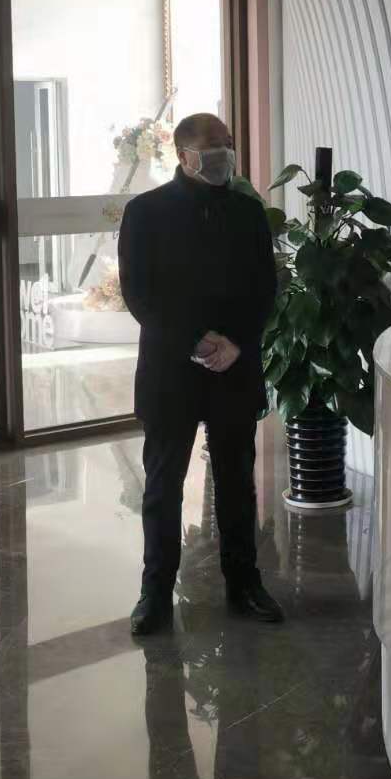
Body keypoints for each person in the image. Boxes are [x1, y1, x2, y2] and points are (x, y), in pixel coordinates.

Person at [118, 112, 284, 636]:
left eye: (227, 143)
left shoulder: (247, 211)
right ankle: (154, 593)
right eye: (212, 146)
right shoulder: (146, 212)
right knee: (163, 486)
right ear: (183, 154)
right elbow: (139, 293)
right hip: (171, 370)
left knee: (237, 481)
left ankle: (244, 583)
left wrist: (237, 342)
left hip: (234, 366)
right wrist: (195, 340)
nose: (223, 154)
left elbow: (264, 287)